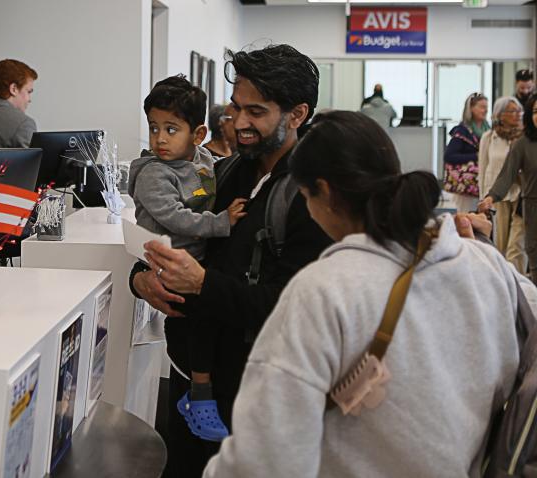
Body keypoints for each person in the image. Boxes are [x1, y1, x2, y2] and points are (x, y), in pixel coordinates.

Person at [203, 110, 531, 477]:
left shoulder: (324, 291)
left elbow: (264, 457)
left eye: (305, 196)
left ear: (324, 192)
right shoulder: (484, 264)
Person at [130, 44, 331, 477]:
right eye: (237, 108)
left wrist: (203, 285)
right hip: (192, 373)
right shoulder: (230, 169)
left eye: (256, 112)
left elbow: (292, 308)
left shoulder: (313, 199)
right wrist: (140, 279)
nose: (239, 122)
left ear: (297, 114)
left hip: (256, 399)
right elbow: (182, 236)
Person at [127, 75, 247, 442]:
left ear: (197, 136)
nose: (160, 139)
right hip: (169, 262)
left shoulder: (203, 160)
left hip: (193, 260)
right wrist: (221, 222)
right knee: (199, 321)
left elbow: (206, 178)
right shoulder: (154, 174)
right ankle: (199, 393)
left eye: (170, 129)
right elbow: (177, 217)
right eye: (153, 128)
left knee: (203, 318)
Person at [481, 95, 537, 282]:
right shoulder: (522, 144)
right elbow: (507, 174)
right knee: (531, 254)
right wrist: (490, 197)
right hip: (531, 207)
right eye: (535, 112)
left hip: (523, 203)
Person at [444, 92, 490, 212]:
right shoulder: (462, 131)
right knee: (465, 217)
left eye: (486, 107)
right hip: (465, 187)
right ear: (471, 109)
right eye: (482, 107)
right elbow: (449, 156)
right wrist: (475, 156)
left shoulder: (489, 130)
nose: (485, 110)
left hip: (483, 183)